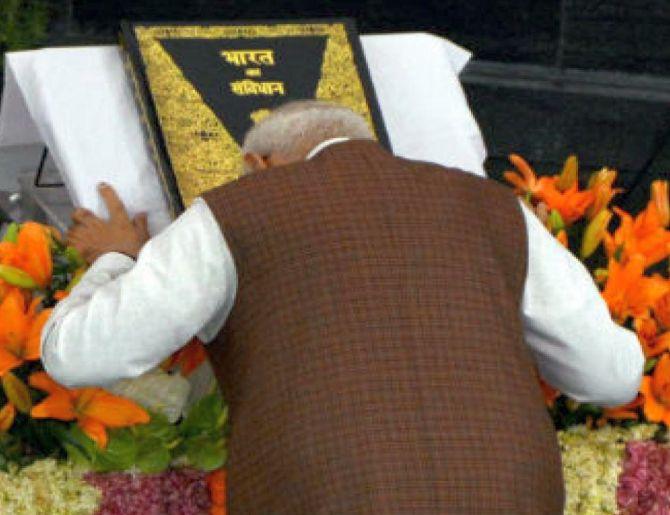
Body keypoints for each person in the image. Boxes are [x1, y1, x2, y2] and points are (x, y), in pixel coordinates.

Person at [42, 100, 643, 514]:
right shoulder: (494, 207)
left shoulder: (237, 209)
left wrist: (119, 259)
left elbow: (81, 358)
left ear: (259, 164)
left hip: (323, 497)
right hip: (512, 496)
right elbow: (610, 376)